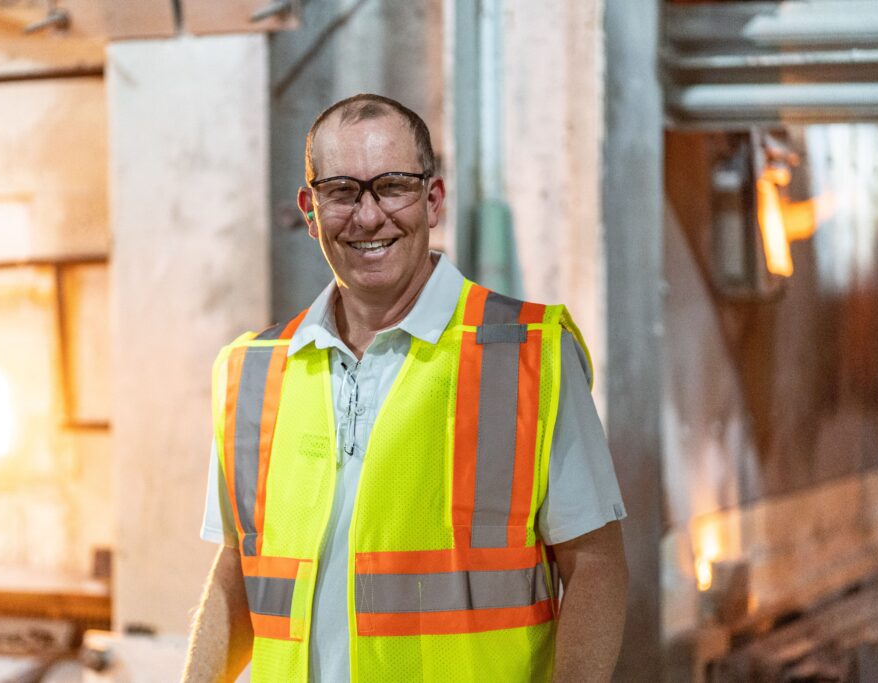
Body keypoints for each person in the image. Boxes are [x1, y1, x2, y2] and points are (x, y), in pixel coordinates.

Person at [182, 93, 628, 683]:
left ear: (433, 199)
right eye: (342, 191)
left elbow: (596, 568)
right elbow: (237, 575)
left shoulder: (528, 354)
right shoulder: (252, 372)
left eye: (392, 186)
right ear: (310, 209)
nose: (368, 217)